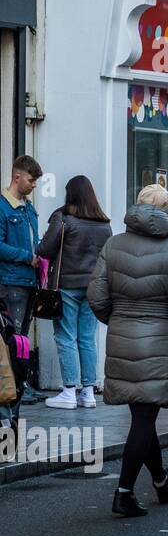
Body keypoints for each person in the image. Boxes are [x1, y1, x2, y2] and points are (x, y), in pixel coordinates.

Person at [88, 185, 168, 517]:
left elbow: (97, 295)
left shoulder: (113, 244)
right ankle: (124, 492)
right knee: (144, 418)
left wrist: (116, 319)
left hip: (121, 335)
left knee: (141, 417)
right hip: (159, 337)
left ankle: (161, 480)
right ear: (166, 210)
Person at [37, 176, 113, 410]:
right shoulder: (104, 224)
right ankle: (88, 392)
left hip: (67, 286)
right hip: (93, 288)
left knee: (66, 337)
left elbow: (45, 249)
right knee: (88, 339)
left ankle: (69, 391)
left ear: (71, 194)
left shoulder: (63, 219)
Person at [0, 155, 42, 419]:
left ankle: (17, 390)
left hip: (28, 282)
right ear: (17, 177)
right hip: (11, 281)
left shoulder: (28, 208)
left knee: (21, 341)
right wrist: (27, 257)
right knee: (12, 342)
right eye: (31, 180)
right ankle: (9, 396)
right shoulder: (3, 207)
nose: (34, 185)